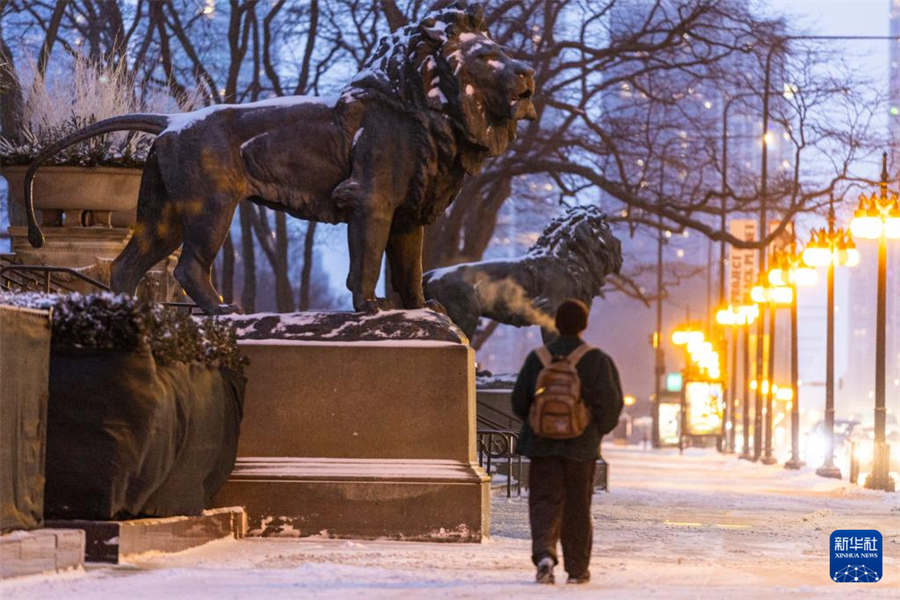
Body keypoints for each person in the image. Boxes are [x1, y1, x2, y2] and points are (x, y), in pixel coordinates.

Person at [511, 299, 624, 585]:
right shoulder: (597, 360)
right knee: (578, 507)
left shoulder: (538, 358)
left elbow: (519, 401)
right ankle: (576, 569)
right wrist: (593, 431)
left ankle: (545, 555)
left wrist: (539, 425)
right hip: (580, 449)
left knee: (544, 502)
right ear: (584, 325)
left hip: (542, 446)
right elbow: (612, 404)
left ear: (556, 324)